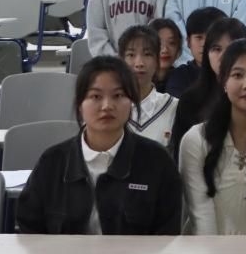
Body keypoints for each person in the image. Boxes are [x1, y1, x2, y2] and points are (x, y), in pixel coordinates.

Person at [17, 56, 182, 235]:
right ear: (80, 105)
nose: (107, 106)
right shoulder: (52, 162)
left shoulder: (157, 161)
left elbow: (167, 233)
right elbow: (29, 230)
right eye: (96, 96)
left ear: (132, 102)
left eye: (118, 96)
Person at [179, 40, 246, 235]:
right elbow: (200, 211)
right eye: (237, 75)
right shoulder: (196, 139)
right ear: (223, 82)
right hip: (203, 249)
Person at [170, 17, 246, 157]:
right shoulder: (191, 100)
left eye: (232, 48)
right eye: (216, 49)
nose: (224, 56)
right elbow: (180, 154)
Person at [118, 25, 179, 149]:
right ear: (121, 60)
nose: (139, 63)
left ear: (157, 60)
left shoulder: (174, 107)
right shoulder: (109, 108)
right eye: (131, 55)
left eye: (147, 54)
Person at [165, 6, 225, 97]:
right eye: (199, 37)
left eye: (210, 37)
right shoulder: (180, 76)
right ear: (188, 42)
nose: (204, 44)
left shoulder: (232, 73)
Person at [149, 17, 182, 93]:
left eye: (171, 43)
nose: (165, 50)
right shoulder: (137, 80)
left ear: (178, 49)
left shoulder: (183, 79)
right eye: (158, 43)